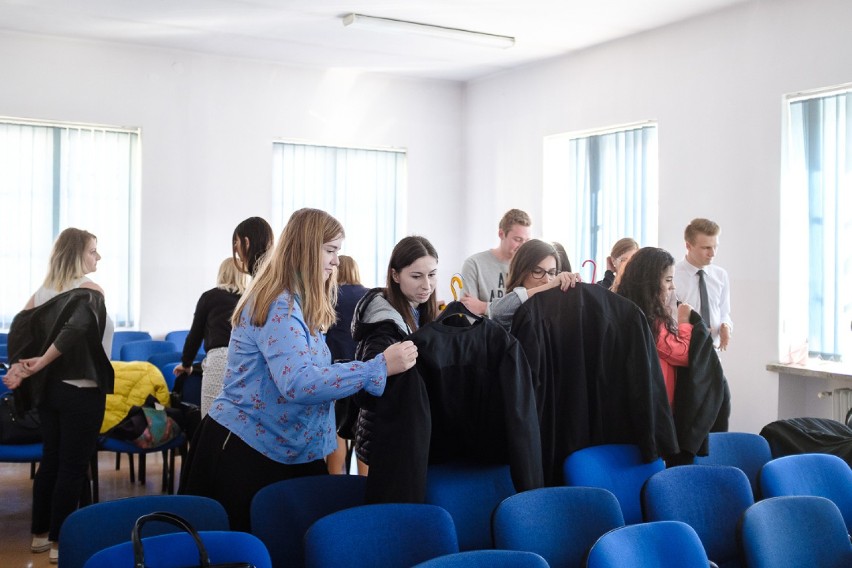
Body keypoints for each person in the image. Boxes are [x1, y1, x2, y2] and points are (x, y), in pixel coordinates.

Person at [179, 208, 418, 531]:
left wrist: (356, 369)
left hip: (278, 446)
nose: (336, 261)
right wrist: (377, 367)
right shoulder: (280, 303)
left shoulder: (295, 300)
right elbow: (300, 382)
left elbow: (306, 368)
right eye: (331, 251)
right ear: (306, 248)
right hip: (248, 451)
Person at [3, 228, 114, 564]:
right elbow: (76, 329)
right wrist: (35, 365)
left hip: (51, 394)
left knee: (51, 462)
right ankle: (59, 543)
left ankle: (40, 536)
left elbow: (19, 331)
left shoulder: (42, 293)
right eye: (93, 251)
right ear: (76, 254)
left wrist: (22, 367)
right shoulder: (90, 291)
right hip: (81, 392)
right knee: (72, 467)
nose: (98, 257)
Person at [350, 236, 439, 475]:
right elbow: (364, 394)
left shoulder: (419, 311)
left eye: (432, 275)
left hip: (405, 435)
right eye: (416, 276)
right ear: (395, 275)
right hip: (390, 438)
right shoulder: (385, 325)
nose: (427, 285)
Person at [616, 247, 694, 406]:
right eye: (668, 280)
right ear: (650, 281)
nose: (672, 286)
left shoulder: (622, 310)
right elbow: (684, 354)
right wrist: (684, 321)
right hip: (655, 406)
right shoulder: (651, 322)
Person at [173, 258, 247, 417]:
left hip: (219, 360)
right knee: (241, 421)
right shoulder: (250, 299)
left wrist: (186, 364)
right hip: (247, 361)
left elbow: (195, 335)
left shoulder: (209, 297)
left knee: (211, 419)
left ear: (222, 274)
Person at [324, 255, 369, 475]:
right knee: (363, 428)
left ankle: (336, 480)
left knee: (337, 428)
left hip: (336, 367)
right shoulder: (370, 295)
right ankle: (364, 482)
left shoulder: (330, 294)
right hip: (364, 367)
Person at [489, 239, 580, 331]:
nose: (547, 280)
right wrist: (550, 285)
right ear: (521, 272)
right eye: (538, 272)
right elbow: (497, 312)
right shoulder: (511, 308)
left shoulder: (557, 308)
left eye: (552, 273)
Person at [673, 218, 732, 350]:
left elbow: (724, 311)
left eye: (715, 247)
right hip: (685, 351)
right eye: (706, 248)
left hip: (713, 351)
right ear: (688, 246)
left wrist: (726, 325)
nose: (712, 253)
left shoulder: (720, 275)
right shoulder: (672, 276)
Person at [460, 208, 532, 316]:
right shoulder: (474, 264)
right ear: (501, 234)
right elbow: (469, 312)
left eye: (527, 241)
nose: (523, 246)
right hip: (484, 332)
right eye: (517, 239)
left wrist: (484, 307)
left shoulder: (530, 267)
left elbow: (526, 312)